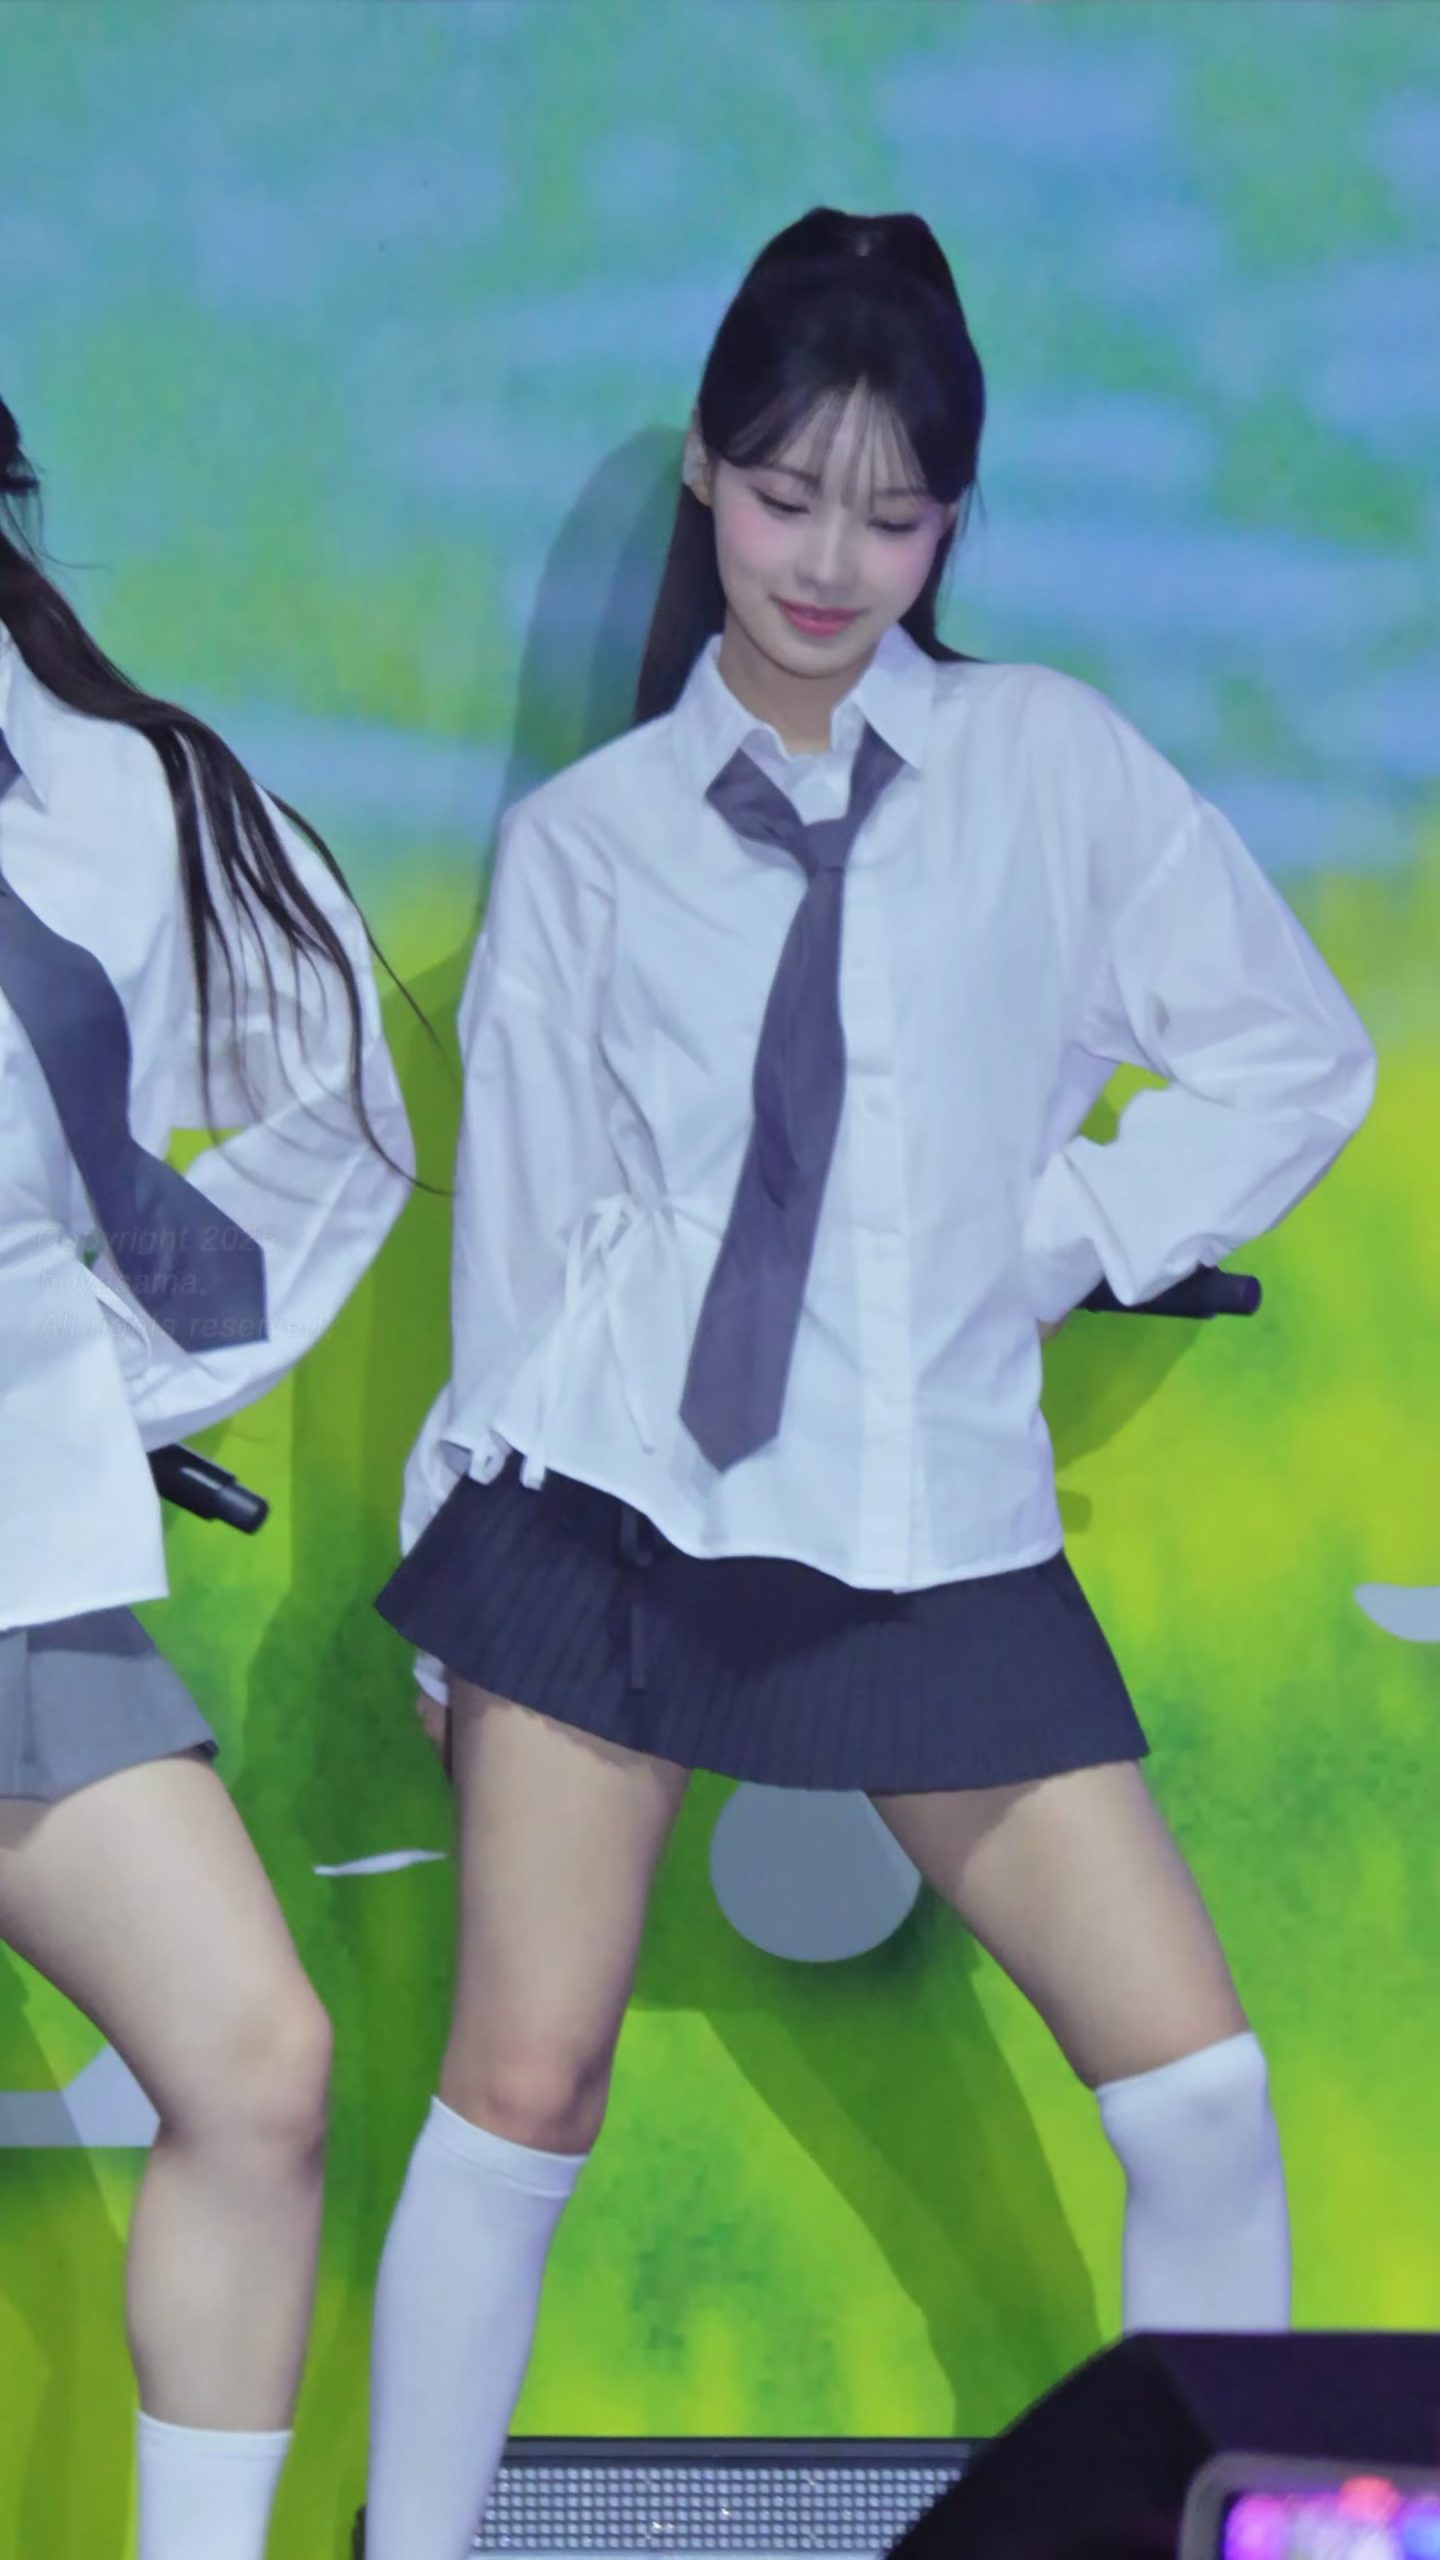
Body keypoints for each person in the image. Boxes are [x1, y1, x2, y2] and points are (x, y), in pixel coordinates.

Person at [364, 210, 1375, 2560]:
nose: (833, 561)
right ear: (706, 476)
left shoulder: (1046, 763)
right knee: (521, 2090)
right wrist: (452, 1572)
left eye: (896, 512)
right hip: (604, 1522)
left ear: (952, 524)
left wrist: (1065, 1231)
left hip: (929, 1527)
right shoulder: (591, 844)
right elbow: (530, 1247)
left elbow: (1289, 1050)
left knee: (1199, 2101)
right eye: (788, 493)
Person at [0, 396, 413, 2560]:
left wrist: (118, 1382)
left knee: (258, 2064)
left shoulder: (115, 793)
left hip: (16, 1573)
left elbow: (343, 1108)